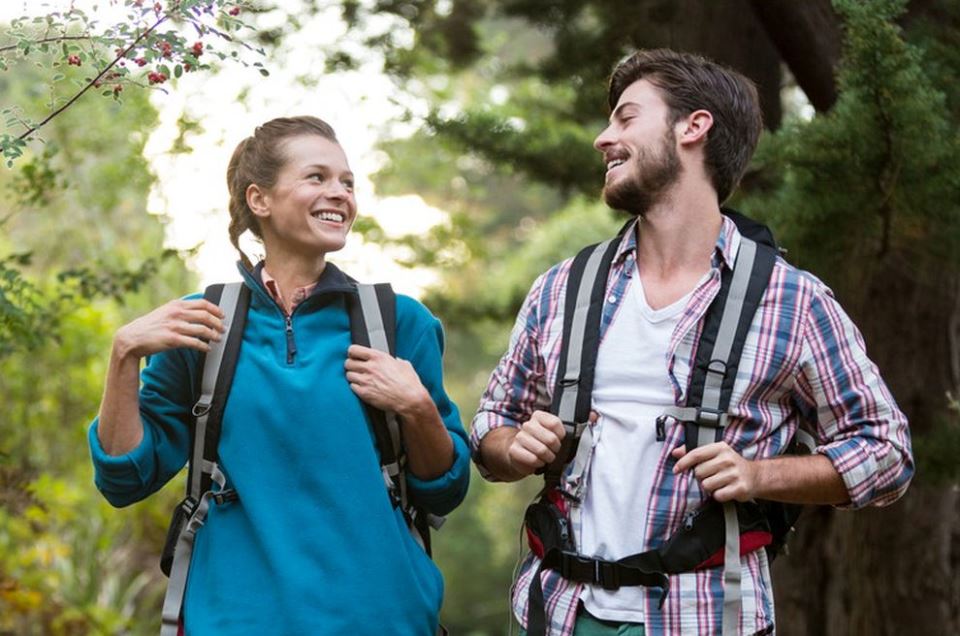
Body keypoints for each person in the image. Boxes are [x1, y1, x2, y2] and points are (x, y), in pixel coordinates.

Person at [470, 49, 913, 636]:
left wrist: (760, 476)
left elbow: (887, 451)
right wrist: (512, 447)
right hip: (559, 614)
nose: (604, 138)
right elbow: (491, 424)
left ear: (694, 127)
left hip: (704, 617)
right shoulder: (563, 289)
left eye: (626, 118)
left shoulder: (793, 300)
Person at [89, 115, 470, 635]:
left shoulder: (398, 322)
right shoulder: (201, 323)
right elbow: (125, 479)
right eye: (317, 177)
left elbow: (443, 490)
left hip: (382, 617)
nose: (339, 193)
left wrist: (420, 408)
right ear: (259, 199)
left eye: (348, 182)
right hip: (233, 620)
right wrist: (124, 355)